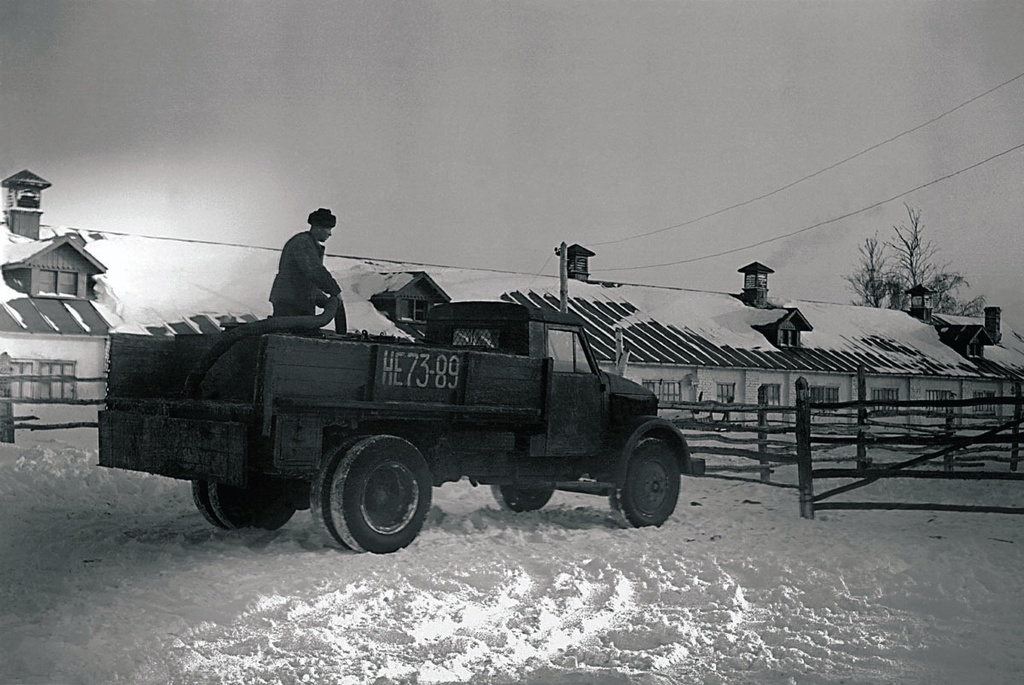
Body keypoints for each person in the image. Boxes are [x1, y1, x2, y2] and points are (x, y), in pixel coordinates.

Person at [269, 207, 347, 332]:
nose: (330, 233)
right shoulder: (303, 243)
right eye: (328, 228)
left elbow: (305, 280)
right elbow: (315, 271)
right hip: (291, 303)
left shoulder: (308, 244)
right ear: (318, 227)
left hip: (297, 301)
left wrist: (326, 301)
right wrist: (335, 291)